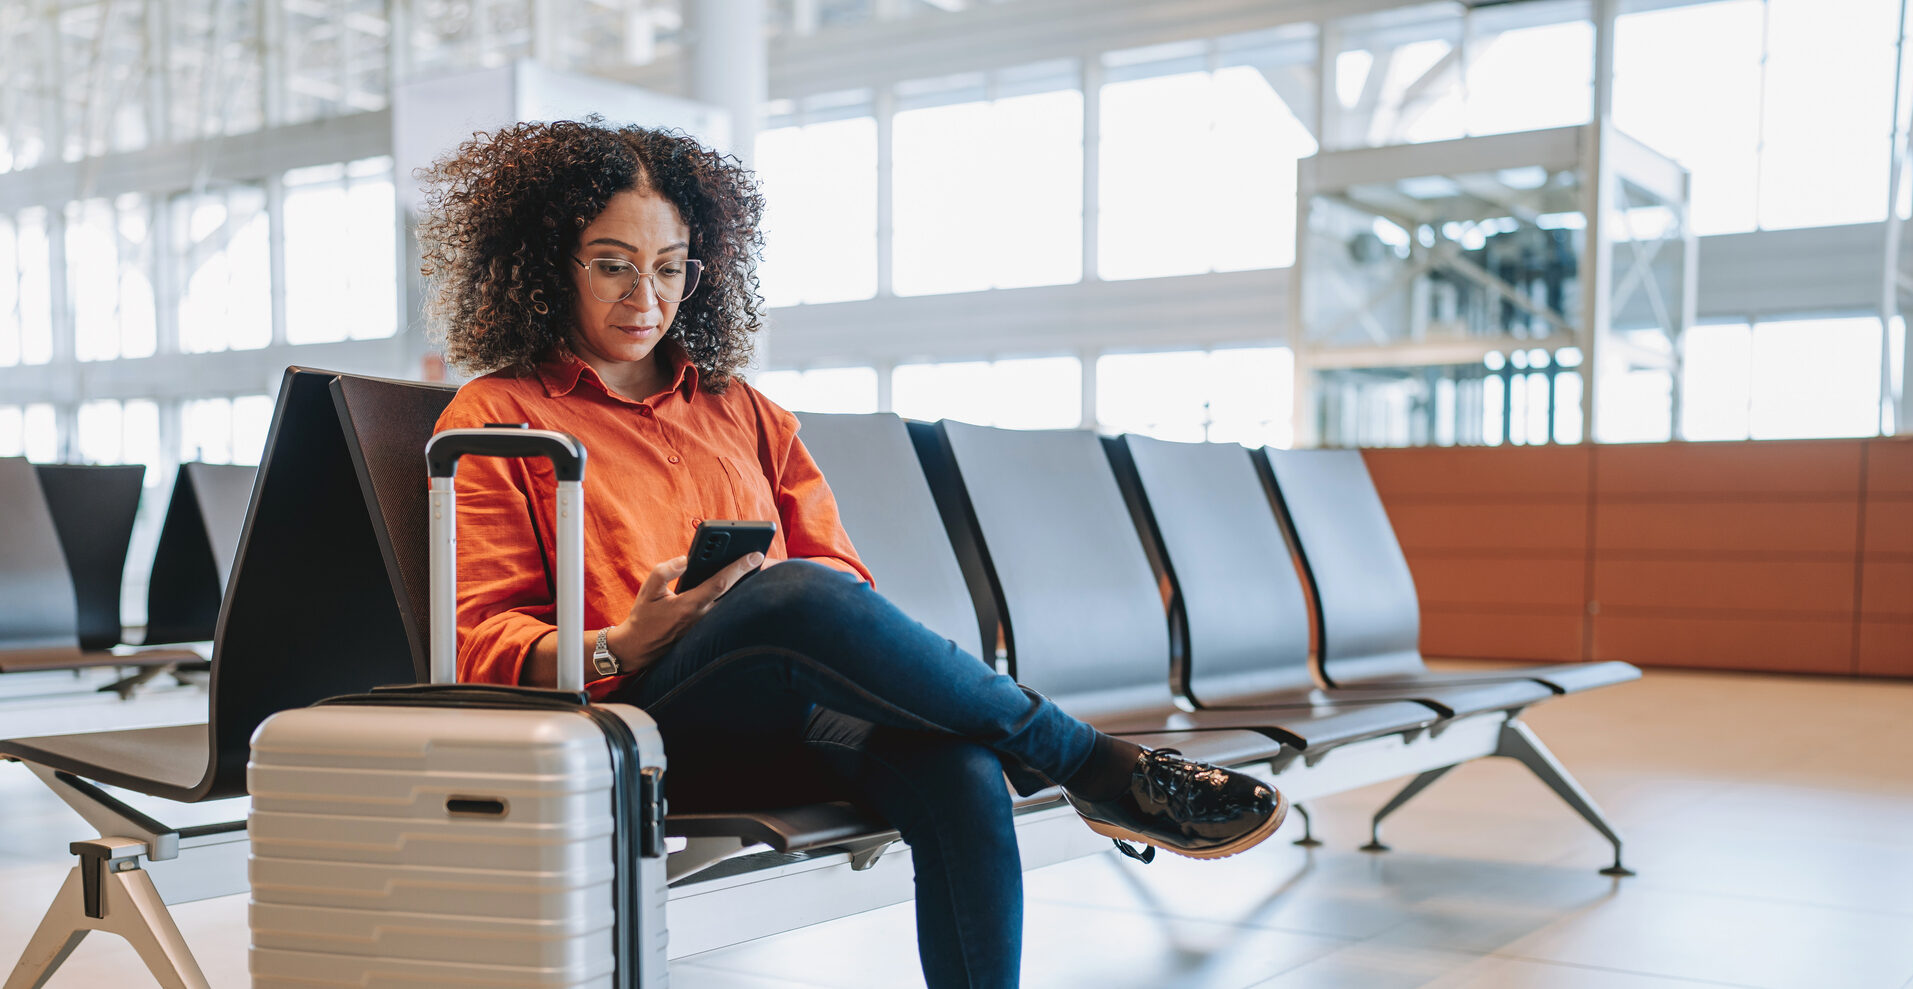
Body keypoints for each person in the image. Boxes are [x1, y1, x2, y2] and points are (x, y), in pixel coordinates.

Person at [421, 118, 1286, 989]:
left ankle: (1071, 778)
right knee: (788, 597)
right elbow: (476, 645)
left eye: (669, 266)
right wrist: (625, 642)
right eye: (612, 263)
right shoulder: (498, 417)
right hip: (630, 722)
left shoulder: (745, 412)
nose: (644, 297)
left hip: (782, 709)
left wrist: (775, 611)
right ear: (545, 262)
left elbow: (841, 583)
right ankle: (1088, 761)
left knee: (956, 765)